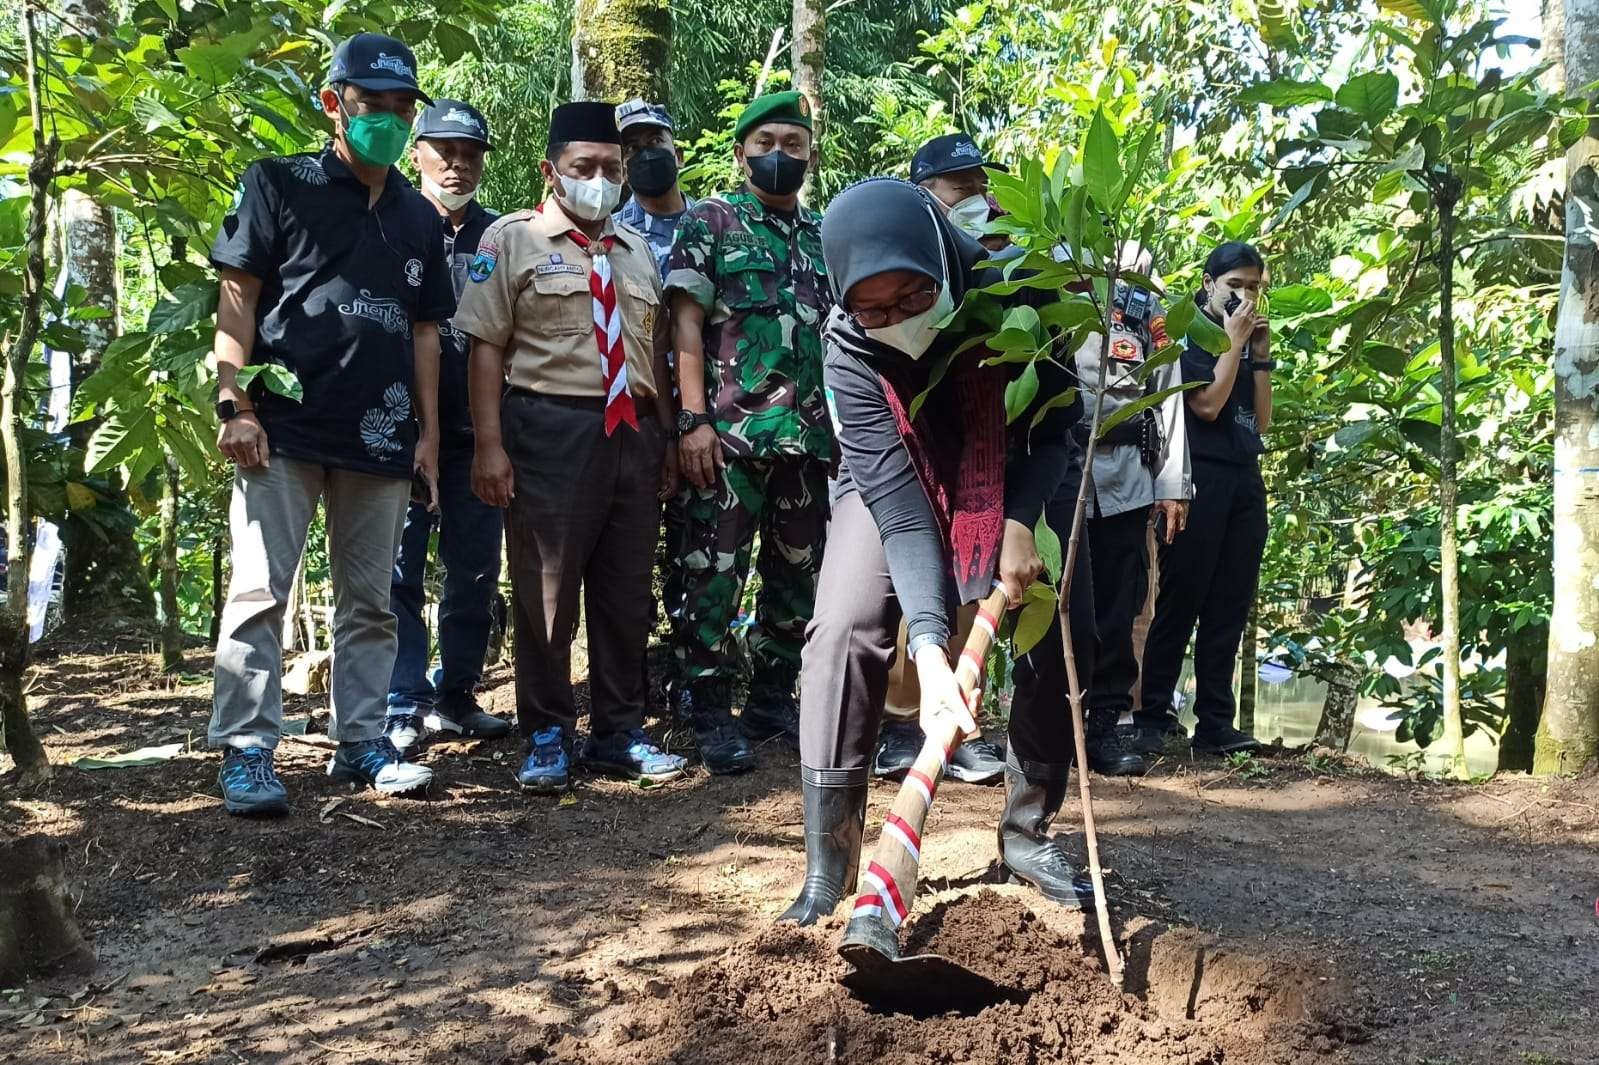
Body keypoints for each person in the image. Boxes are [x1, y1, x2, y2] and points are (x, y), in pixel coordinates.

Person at [781, 179, 1097, 926]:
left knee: (1058, 621)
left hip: (1015, 465)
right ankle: (829, 869)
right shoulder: (848, 348)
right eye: (874, 308)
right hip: (895, 470)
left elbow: (1057, 425)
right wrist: (929, 650)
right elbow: (895, 506)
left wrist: (1019, 521)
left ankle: (1026, 829)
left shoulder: (1020, 291)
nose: (896, 321)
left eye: (914, 297)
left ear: (941, 266)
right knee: (843, 625)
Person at [208, 33, 453, 815]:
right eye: (369, 102)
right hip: (280, 427)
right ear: (333, 103)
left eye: (398, 106)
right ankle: (248, 747)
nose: (385, 117)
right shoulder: (279, 183)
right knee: (258, 590)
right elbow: (239, 295)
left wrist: (428, 433)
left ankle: (362, 739)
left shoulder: (419, 218)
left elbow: (423, 330)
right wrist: (234, 401)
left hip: (380, 436)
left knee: (371, 600)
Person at [456, 101, 684, 793]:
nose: (599, 178)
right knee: (546, 590)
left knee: (624, 591)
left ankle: (619, 733)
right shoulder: (510, 240)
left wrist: (668, 438)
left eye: (610, 168)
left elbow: (651, 349)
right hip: (550, 429)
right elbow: (486, 348)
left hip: (634, 433)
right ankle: (548, 731)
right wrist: (489, 447)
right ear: (549, 169)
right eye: (583, 166)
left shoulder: (636, 248)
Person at [665, 91, 833, 775]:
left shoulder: (827, 236)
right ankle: (708, 711)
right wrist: (693, 420)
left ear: (809, 156)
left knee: (799, 582)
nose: (778, 157)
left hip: (810, 442)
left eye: (792, 145)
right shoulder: (712, 221)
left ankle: (770, 701)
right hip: (728, 439)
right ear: (740, 153)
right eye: (765, 143)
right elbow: (682, 327)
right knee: (712, 577)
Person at [870, 131, 1015, 787]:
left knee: (973, 573)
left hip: (980, 447)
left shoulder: (1007, 265)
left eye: (985, 186)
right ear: (924, 193)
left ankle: (959, 722)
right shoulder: (894, 254)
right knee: (912, 577)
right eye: (964, 187)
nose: (980, 199)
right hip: (907, 443)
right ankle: (902, 720)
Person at [383, 98, 512, 752]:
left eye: (469, 155)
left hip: (478, 436)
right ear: (418, 153)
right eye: (444, 152)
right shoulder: (391, 220)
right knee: (398, 570)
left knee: (474, 570)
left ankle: (456, 694)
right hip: (397, 433)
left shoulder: (499, 235)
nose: (457, 166)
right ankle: (401, 700)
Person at [1131, 241, 1273, 756]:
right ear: (1209, 284)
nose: (1245, 297)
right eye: (1234, 286)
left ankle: (1215, 721)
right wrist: (1233, 343)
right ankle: (1152, 715)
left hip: (1244, 477)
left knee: (1230, 603)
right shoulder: (1189, 332)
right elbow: (1208, 406)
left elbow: (1260, 422)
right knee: (1182, 597)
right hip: (1196, 481)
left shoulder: (1246, 338)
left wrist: (1260, 356)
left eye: (1253, 287)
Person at [1071, 243, 1191, 776]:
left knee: (1121, 603)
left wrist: (1172, 484)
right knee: (1058, 601)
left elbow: (1169, 391)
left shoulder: (1142, 301)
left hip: (1127, 476)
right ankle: (1051, 725)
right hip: (1063, 471)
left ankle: (1106, 722)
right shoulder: (1049, 280)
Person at [614, 99, 696, 709]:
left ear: (678, 148)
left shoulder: (714, 226)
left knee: (697, 563)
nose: (647, 156)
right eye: (633, 148)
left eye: (655, 142)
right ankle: (629, 690)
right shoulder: (612, 236)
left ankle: (694, 685)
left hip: (703, 423)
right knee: (627, 559)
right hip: (633, 421)